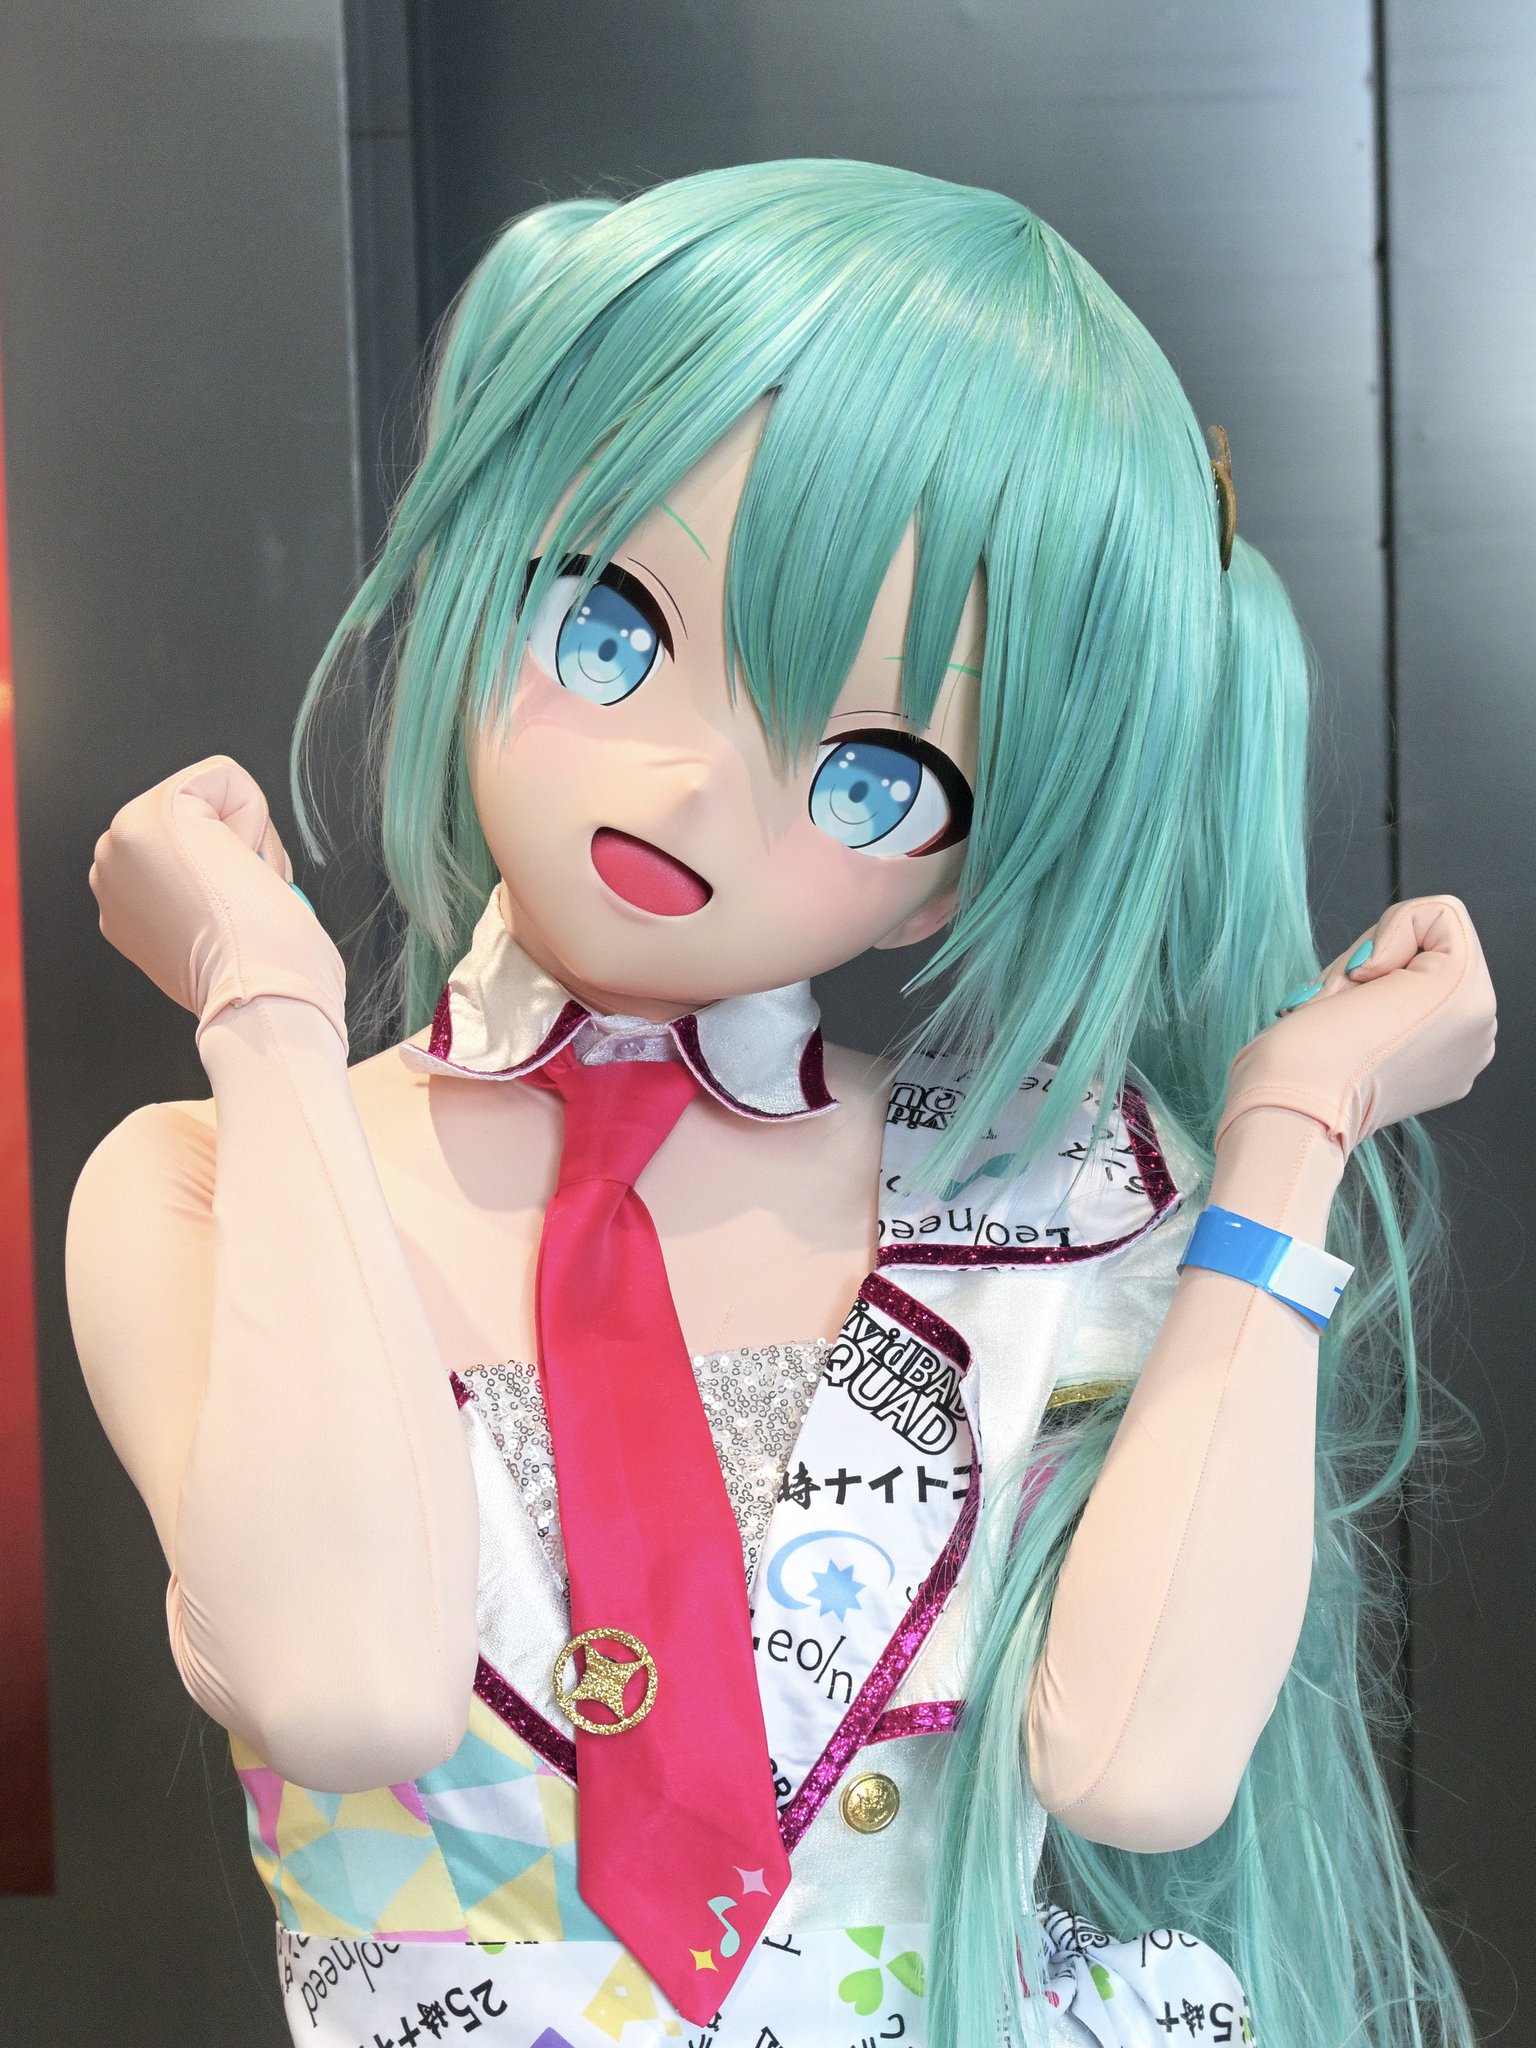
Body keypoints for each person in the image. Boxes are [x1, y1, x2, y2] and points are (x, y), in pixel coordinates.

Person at [65, 161, 1496, 2048]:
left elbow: (1142, 1771)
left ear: (966, 871)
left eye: (873, 773)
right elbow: (346, 1690)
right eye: (611, 632)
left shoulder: (1045, 1199)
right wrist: (264, 1010)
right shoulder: (208, 1179)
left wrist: (1295, 1129)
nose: (688, 786)